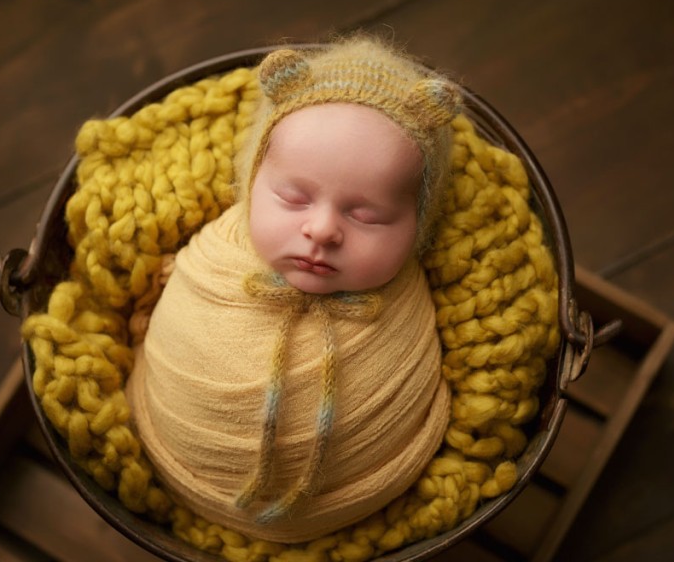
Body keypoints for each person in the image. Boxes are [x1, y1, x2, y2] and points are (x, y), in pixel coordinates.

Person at [125, 36, 461, 543]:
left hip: (359, 512)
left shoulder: (409, 313)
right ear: (252, 183)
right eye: (293, 197)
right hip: (167, 463)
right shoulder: (210, 261)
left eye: (366, 214)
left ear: (418, 228)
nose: (323, 229)